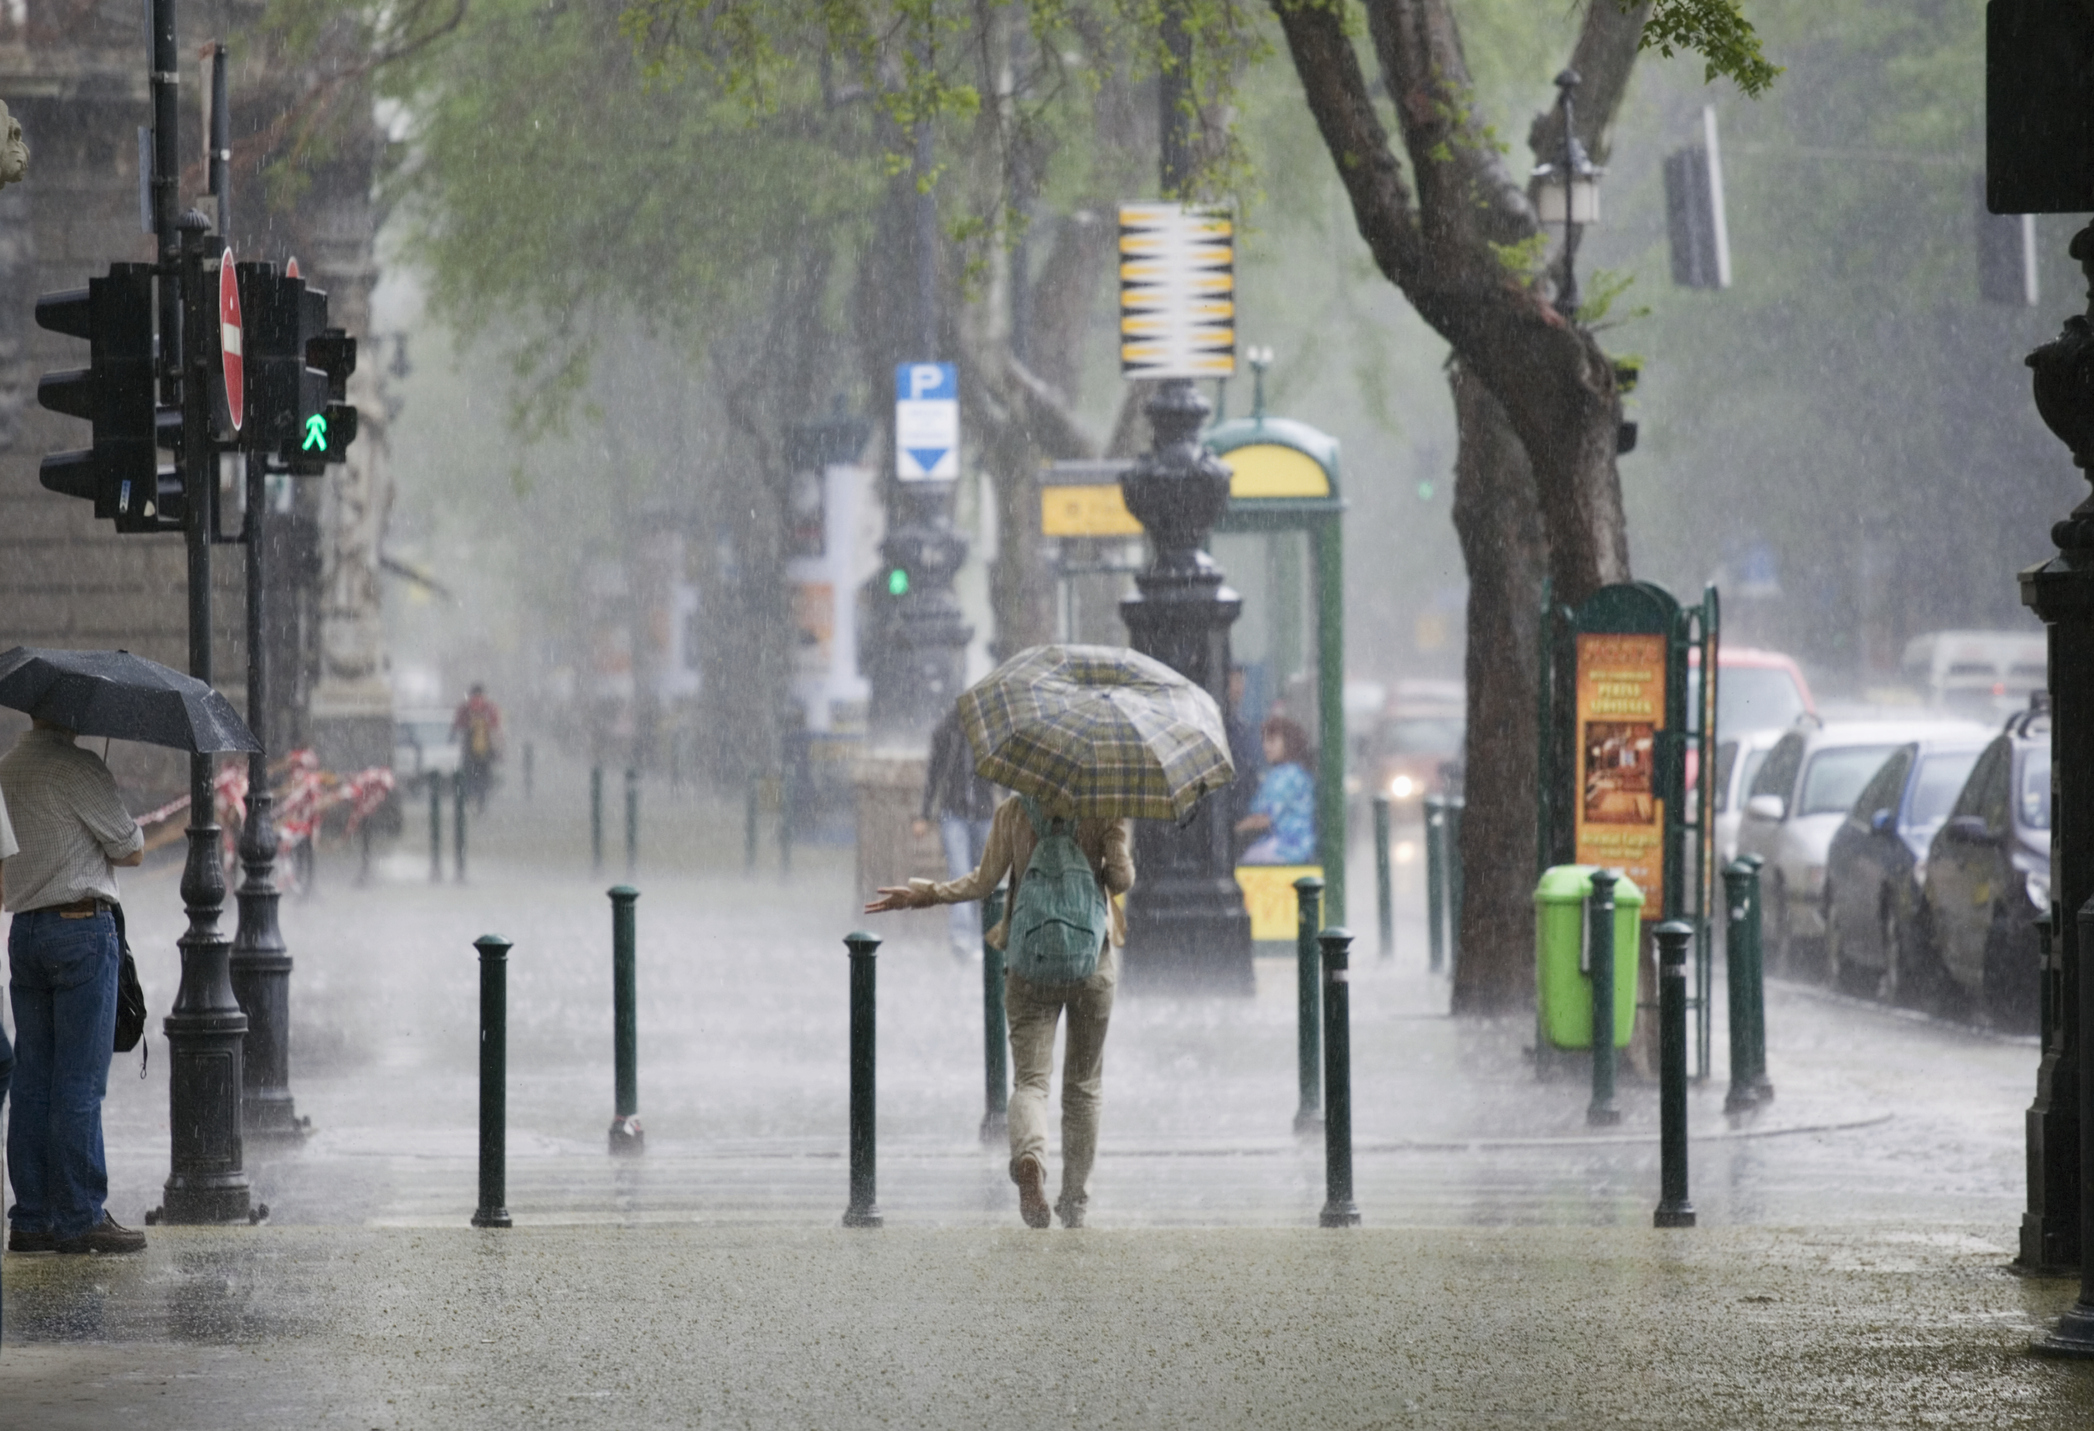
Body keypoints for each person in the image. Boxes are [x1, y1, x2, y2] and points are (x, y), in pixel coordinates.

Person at [865, 793, 1133, 1230]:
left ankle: (1030, 1157)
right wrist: (1110, 847)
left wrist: (926, 894)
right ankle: (1074, 1202)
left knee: (1030, 1081)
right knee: (1083, 1086)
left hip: (1030, 963)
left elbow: (984, 882)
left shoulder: (1015, 809)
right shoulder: (1104, 804)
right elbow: (1120, 880)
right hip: (1091, 964)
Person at [0, 717, 146, 1256]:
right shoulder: (80, 768)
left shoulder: (6, 769)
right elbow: (132, 849)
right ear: (72, 715)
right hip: (81, 928)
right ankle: (81, 1216)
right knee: (80, 1081)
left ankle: (32, 1217)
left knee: (33, 1078)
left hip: (26, 932)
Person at [914, 705, 1000, 961]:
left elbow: (1003, 776)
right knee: (960, 873)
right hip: (954, 815)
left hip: (983, 816)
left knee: (982, 877)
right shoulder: (945, 733)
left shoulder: (990, 737)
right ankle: (962, 937)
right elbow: (934, 775)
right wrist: (924, 814)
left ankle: (980, 936)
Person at [1236, 714, 1317, 865]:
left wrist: (1231, 832)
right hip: (1300, 848)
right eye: (1264, 741)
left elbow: (1263, 819)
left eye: (1272, 741)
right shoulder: (1297, 773)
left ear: (1289, 742)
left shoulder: (1284, 777)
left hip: (1285, 850)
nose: (1266, 747)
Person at [452, 683, 502, 814]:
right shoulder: (490, 708)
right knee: (484, 777)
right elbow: (496, 729)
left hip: (468, 749)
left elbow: (457, 726)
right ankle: (482, 802)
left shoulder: (465, 708)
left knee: (469, 776)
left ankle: (469, 799)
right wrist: (499, 750)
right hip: (486, 750)